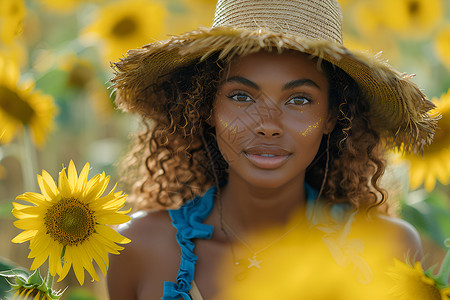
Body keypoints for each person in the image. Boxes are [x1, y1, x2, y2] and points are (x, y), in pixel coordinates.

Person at [106, 0, 437, 299]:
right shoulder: (136, 246)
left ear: (332, 116)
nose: (268, 124)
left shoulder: (388, 249)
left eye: (298, 100)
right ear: (208, 108)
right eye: (241, 97)